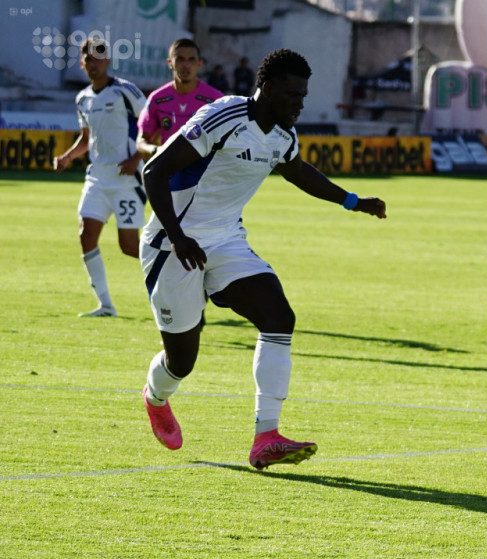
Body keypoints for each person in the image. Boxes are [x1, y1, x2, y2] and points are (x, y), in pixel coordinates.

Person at [140, 48, 387, 469]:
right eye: (292, 94)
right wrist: (178, 236)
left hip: (226, 241)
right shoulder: (224, 117)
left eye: (303, 96)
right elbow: (155, 172)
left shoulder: (283, 135)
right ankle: (156, 396)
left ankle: (266, 436)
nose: (300, 103)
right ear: (267, 88)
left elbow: (296, 169)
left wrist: (353, 201)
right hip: (172, 245)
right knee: (182, 362)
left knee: (278, 317)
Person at [53, 38, 147, 317]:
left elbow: (150, 127)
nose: (93, 64)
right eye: (88, 60)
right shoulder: (82, 98)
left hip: (126, 180)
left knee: (129, 246)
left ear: (107, 62)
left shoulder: (125, 91)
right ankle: (105, 305)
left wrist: (136, 159)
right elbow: (86, 139)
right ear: (82, 64)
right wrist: (68, 157)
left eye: (99, 59)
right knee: (86, 236)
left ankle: (177, 272)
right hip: (96, 179)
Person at [137, 38, 224, 162]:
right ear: (170, 63)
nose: (186, 65)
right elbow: (141, 140)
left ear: (199, 64)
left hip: (205, 175)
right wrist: (155, 151)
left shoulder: (216, 99)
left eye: (191, 60)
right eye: (180, 59)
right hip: (170, 173)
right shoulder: (157, 98)